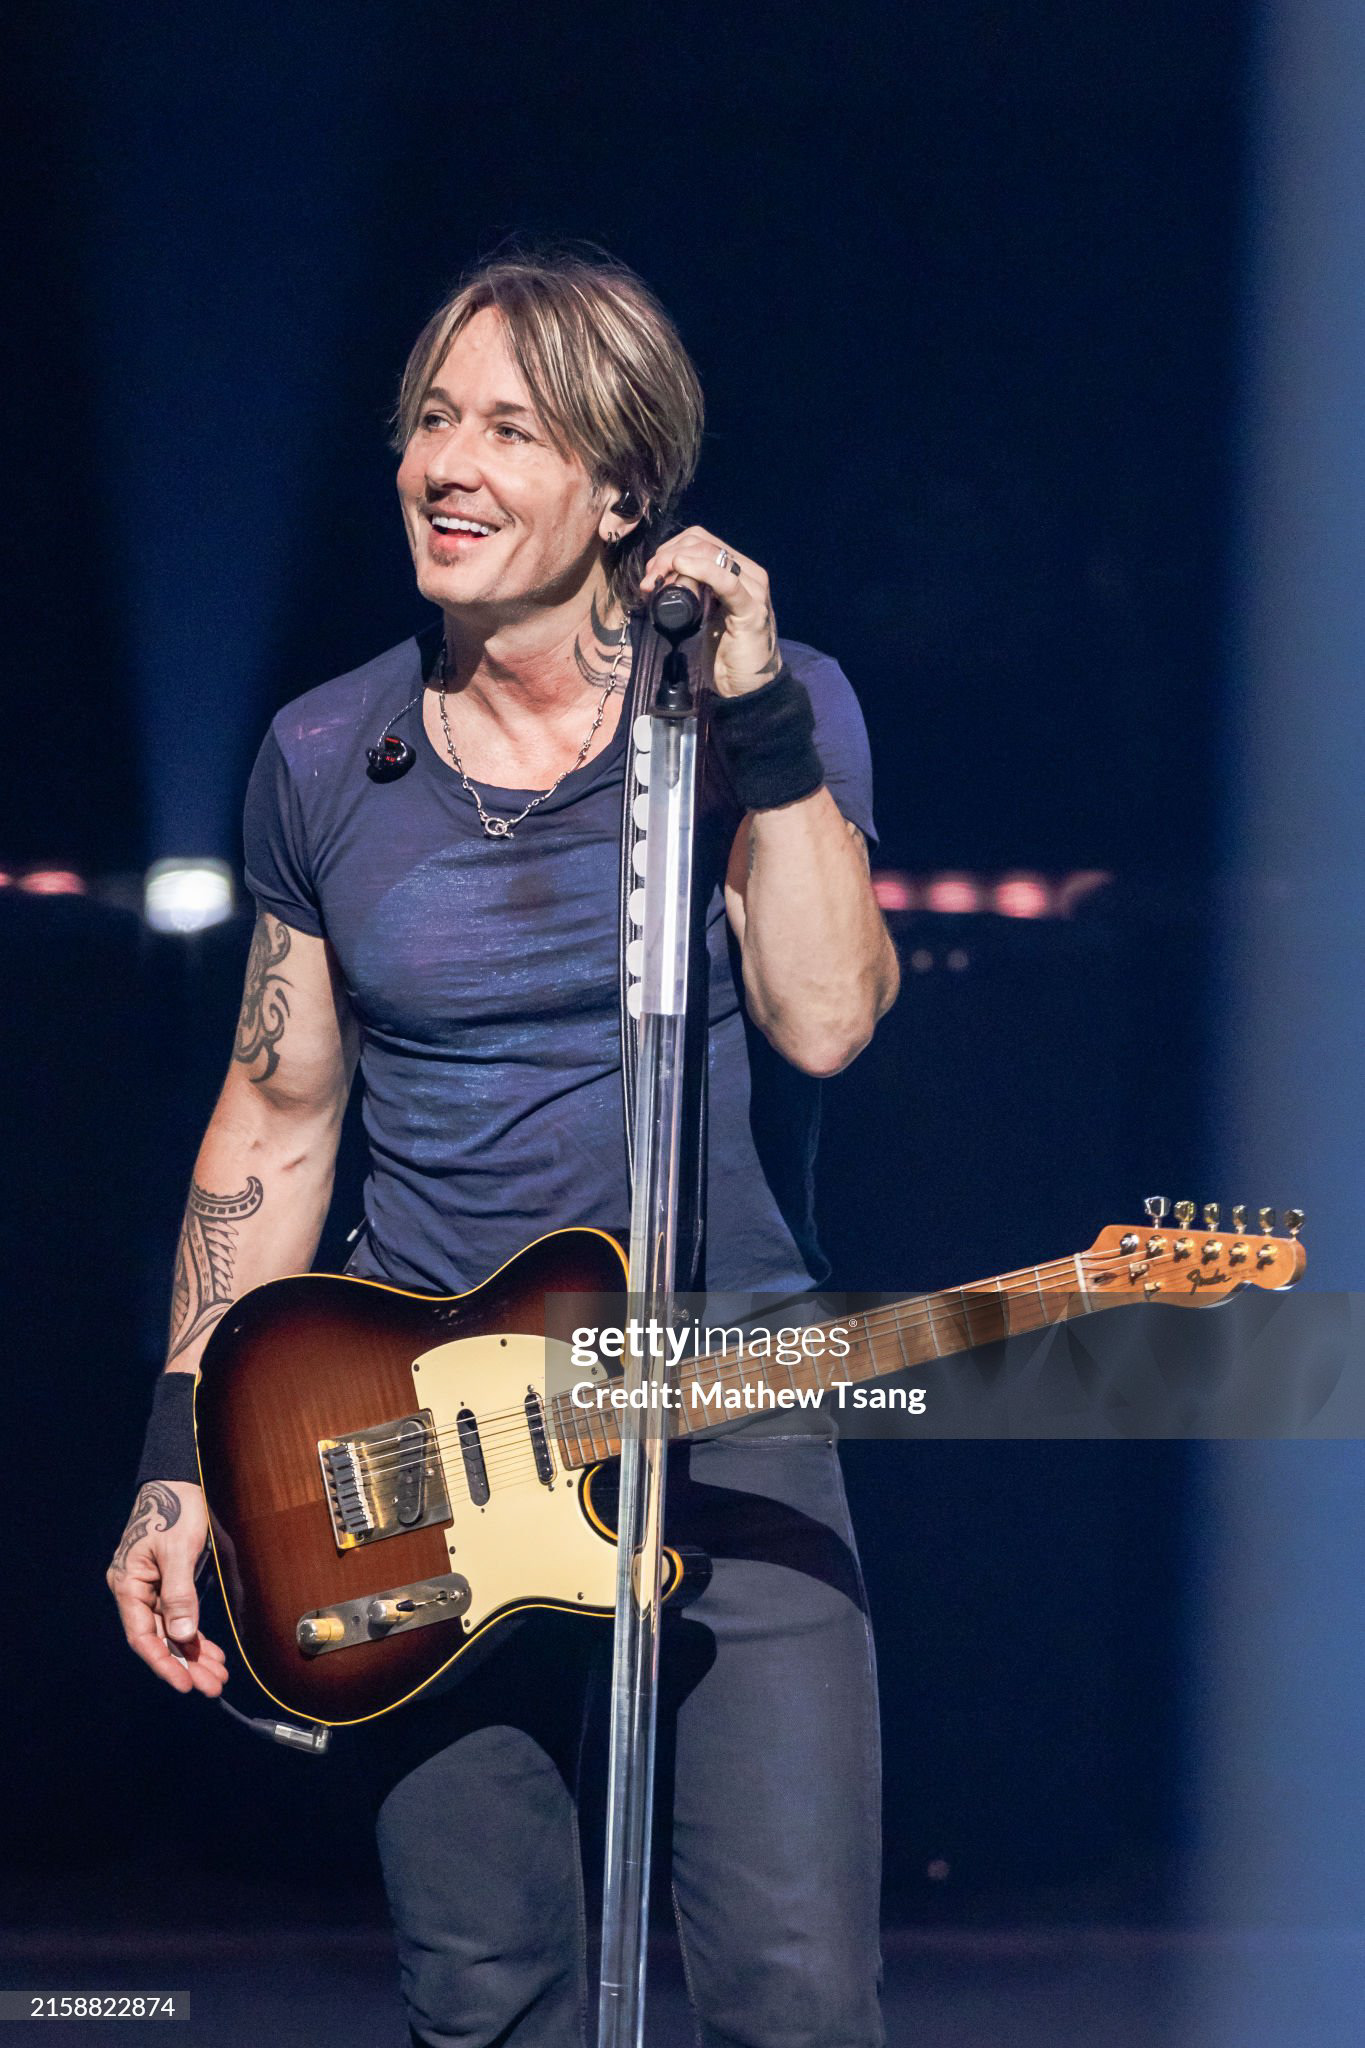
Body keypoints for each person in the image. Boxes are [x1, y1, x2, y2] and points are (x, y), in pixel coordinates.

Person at [106, 247, 900, 2048]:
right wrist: (180, 1457)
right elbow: (275, 1120)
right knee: (484, 1993)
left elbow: (825, 1018)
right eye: (429, 422)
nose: (445, 466)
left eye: (510, 431)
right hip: (422, 1433)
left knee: (792, 1992)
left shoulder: (766, 713)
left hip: (726, 1408)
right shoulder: (328, 751)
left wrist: (764, 727)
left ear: (623, 491)